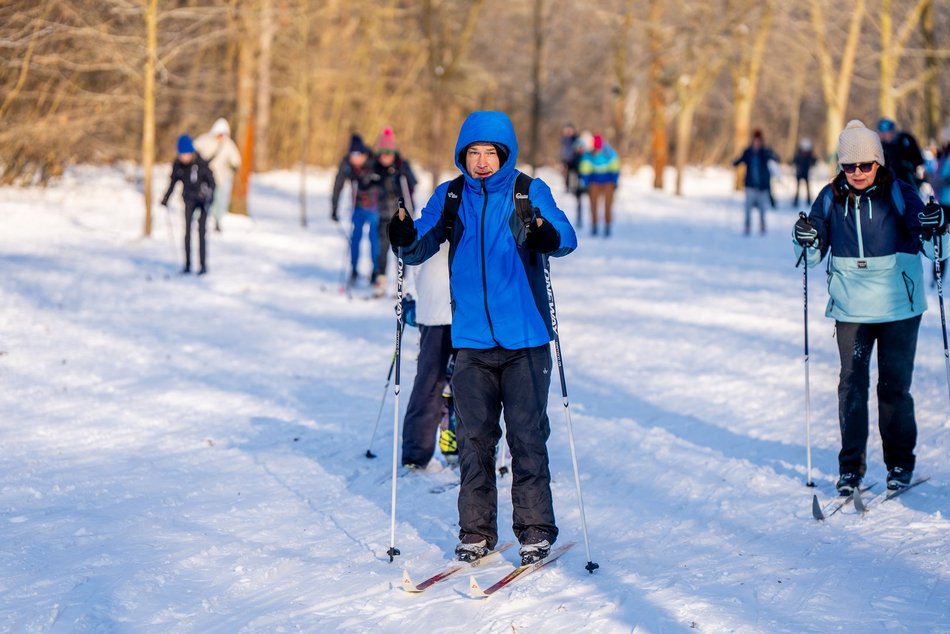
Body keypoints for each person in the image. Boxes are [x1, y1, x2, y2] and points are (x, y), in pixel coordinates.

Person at [387, 110, 577, 566]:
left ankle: (535, 530)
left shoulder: (527, 192)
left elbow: (565, 238)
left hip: (526, 340)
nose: (482, 162)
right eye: (474, 153)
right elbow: (419, 244)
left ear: (505, 155)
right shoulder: (451, 196)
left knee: (527, 438)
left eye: (491, 153)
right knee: (474, 440)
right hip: (471, 341)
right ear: (463, 155)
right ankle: (476, 532)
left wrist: (544, 233)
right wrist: (403, 235)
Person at [792, 119, 949, 496]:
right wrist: (804, 239)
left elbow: (933, 250)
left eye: (865, 164)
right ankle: (851, 469)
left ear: (878, 162)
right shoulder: (830, 197)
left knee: (894, 388)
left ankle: (900, 464)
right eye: (849, 166)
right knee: (851, 387)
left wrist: (938, 227)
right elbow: (811, 255)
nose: (858, 172)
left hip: (899, 307)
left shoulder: (900, 192)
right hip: (851, 307)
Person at [401, 244, 454, 470]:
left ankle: (466, 447)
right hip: (440, 307)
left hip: (461, 307)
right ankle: (417, 452)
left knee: (470, 382)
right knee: (432, 381)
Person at [371, 127, 416, 296]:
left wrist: (404, 177)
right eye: (382, 153)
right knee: (381, 249)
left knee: (401, 249)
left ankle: (401, 281)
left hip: (400, 216)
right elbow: (366, 185)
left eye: (388, 153)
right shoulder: (375, 168)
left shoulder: (402, 166)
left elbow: (412, 185)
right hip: (383, 214)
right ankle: (381, 279)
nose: (385, 157)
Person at [161, 134, 215, 275]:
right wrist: (166, 198)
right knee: (187, 233)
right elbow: (173, 182)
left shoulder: (201, 163)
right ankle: (187, 265)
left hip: (203, 202)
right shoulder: (178, 166)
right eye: (181, 155)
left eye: (186, 154)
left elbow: (212, 183)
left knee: (201, 232)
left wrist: (209, 197)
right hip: (189, 200)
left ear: (191, 152)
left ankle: (203, 265)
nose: (184, 158)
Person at [330, 134, 377, 286]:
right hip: (357, 207)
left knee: (374, 238)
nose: (354, 159)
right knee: (355, 238)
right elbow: (338, 185)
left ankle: (376, 271)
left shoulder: (373, 161)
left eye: (357, 155)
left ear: (364, 154)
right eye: (352, 155)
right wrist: (334, 207)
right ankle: (354, 269)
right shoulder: (347, 164)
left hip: (374, 207)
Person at [193, 118, 241, 232]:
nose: (220, 137)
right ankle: (195, 218)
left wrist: (233, 167)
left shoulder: (228, 144)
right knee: (200, 198)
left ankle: (217, 221)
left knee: (218, 200)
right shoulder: (205, 140)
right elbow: (193, 148)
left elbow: (236, 160)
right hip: (203, 177)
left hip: (219, 178)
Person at [733, 129, 778, 235]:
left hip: (763, 186)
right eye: (755, 141)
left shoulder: (765, 152)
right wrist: (735, 163)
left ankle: (762, 226)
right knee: (747, 208)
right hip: (750, 185)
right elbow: (740, 160)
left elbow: (775, 158)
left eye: (758, 141)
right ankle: (747, 226)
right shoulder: (748, 152)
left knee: (762, 209)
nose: (757, 143)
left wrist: (771, 154)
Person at [578, 134, 620, 236]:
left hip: (608, 182)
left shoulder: (609, 153)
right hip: (594, 183)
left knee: (608, 205)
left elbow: (615, 168)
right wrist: (585, 183)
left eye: (598, 148)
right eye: (595, 149)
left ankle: (607, 225)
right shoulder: (588, 155)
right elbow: (585, 169)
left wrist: (614, 181)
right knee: (593, 205)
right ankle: (594, 225)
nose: (596, 151)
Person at [877, 118, 924, 189]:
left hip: (907, 180)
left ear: (892, 132)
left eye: (885, 133)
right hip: (889, 183)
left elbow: (917, 159)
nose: (883, 136)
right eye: (881, 133)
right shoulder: (881, 146)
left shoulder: (904, 141)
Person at [792, 138, 817, 208]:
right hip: (800, 173)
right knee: (798, 188)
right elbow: (794, 161)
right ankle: (796, 201)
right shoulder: (799, 155)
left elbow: (814, 161)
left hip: (805, 173)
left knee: (806, 188)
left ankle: (807, 201)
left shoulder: (808, 155)